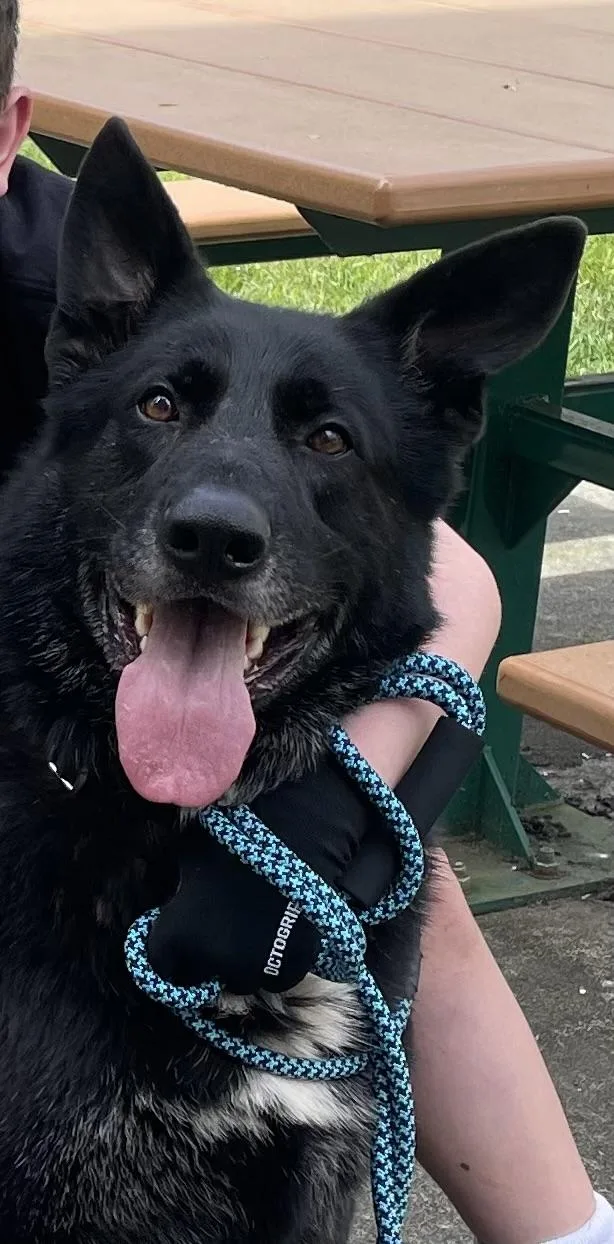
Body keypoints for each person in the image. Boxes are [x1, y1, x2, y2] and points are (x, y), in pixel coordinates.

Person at [0, 6, 612, 1241]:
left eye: (324, 437)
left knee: (391, 862)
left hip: (158, 749)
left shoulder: (86, 275)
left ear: (9, 133)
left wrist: (322, 816)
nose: (223, 511)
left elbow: (450, 581)